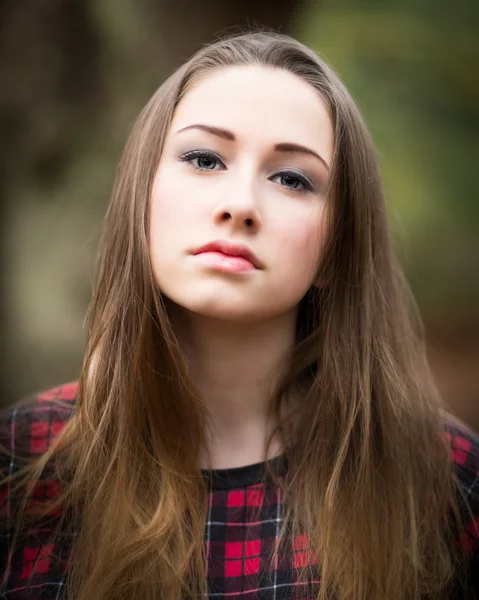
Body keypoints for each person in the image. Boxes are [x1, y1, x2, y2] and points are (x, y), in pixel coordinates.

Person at [0, 29, 478, 600]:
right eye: (204, 159)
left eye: (292, 178)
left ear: (337, 247)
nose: (241, 204)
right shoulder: (18, 466)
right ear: (141, 197)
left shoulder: (439, 477)